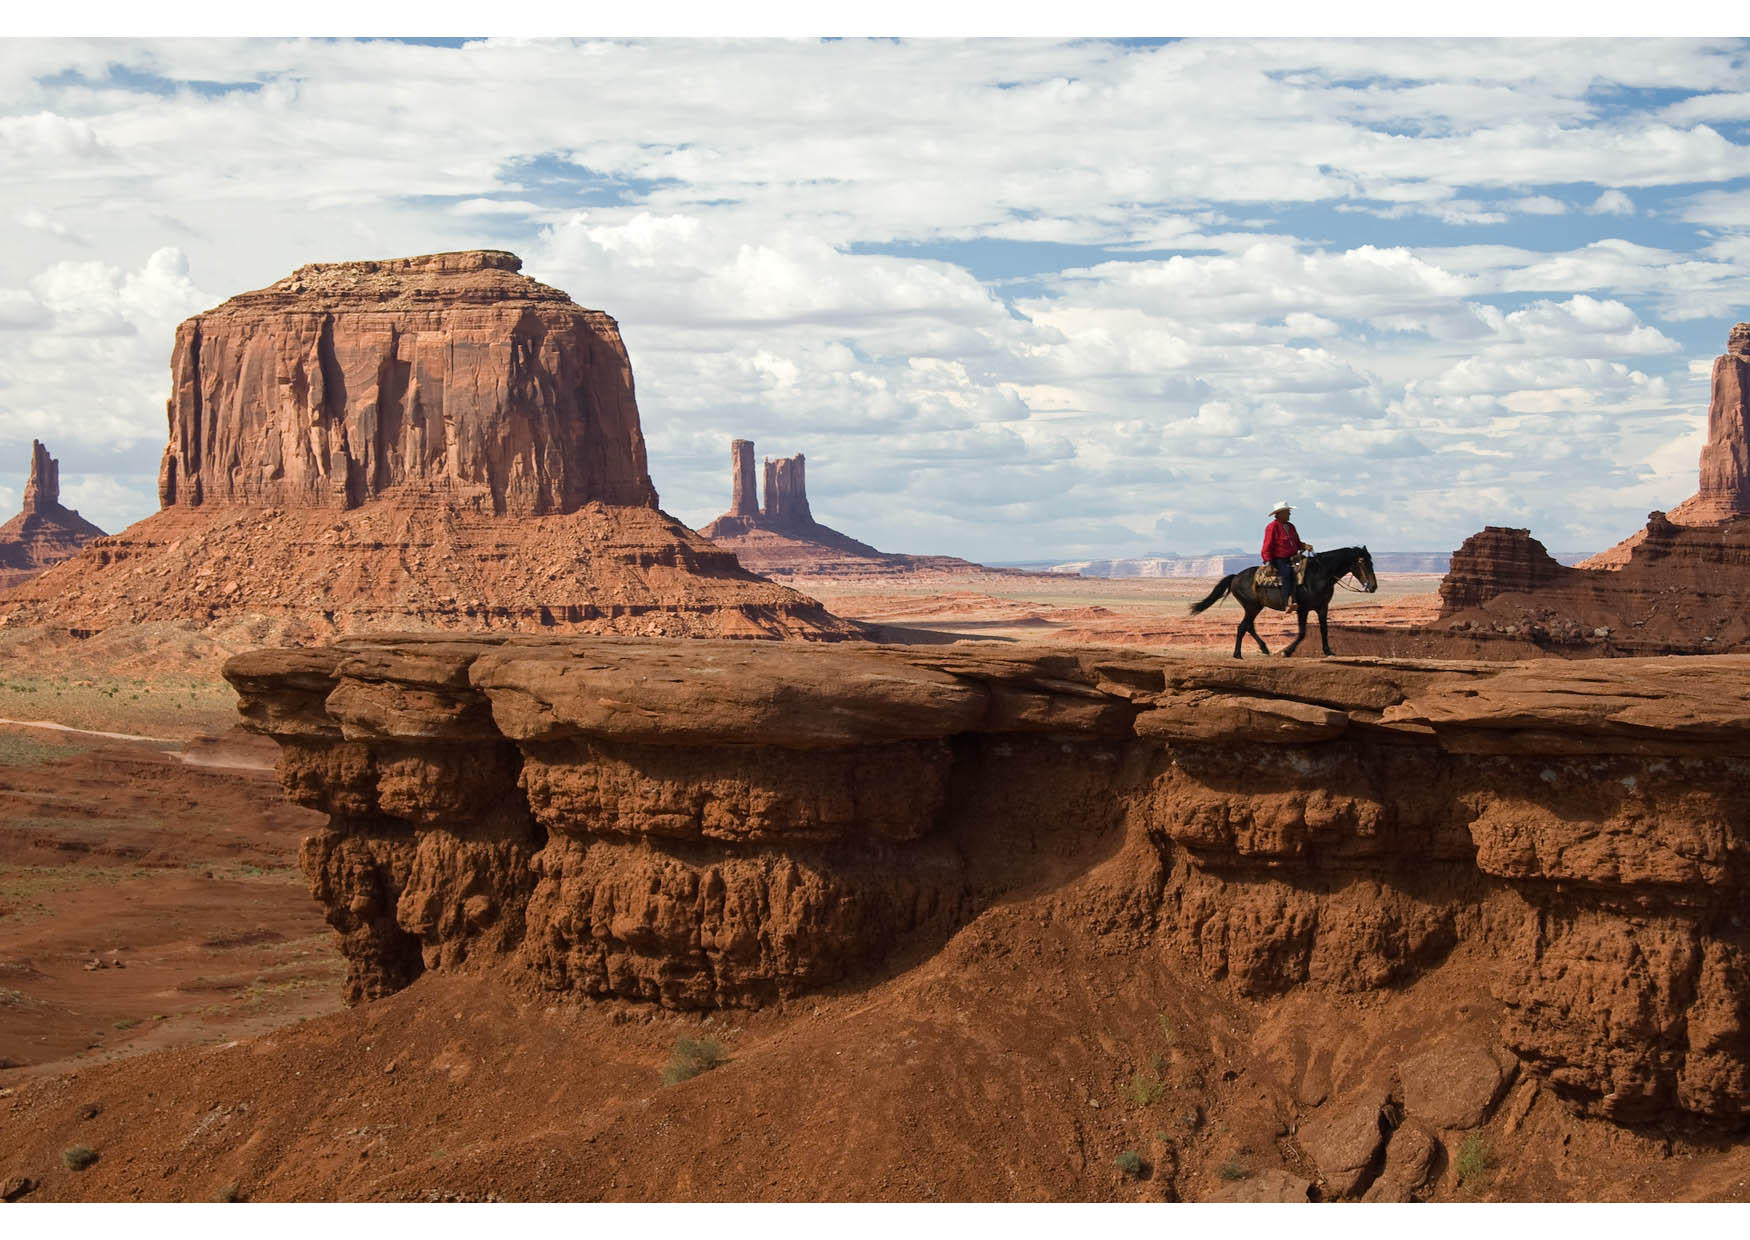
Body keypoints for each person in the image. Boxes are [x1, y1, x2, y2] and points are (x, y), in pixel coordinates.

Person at [1260, 501, 1312, 609]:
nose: (1289, 514)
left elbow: (1296, 542)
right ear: (1279, 514)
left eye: (1289, 512)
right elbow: (1267, 546)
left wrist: (1304, 546)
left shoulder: (1290, 526)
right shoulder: (1272, 527)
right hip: (1280, 559)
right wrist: (1268, 562)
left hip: (1294, 557)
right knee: (1287, 573)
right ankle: (1288, 601)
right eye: (1287, 512)